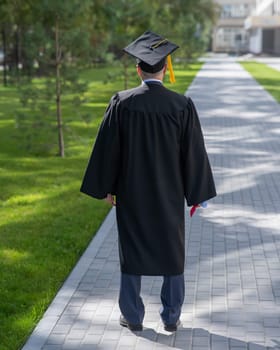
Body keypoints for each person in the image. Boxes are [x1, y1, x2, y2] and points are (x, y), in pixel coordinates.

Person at [80, 31, 216, 332]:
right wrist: (196, 192)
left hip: (132, 194)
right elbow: (193, 153)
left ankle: (133, 316)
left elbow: (108, 149)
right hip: (169, 196)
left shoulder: (122, 103)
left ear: (138, 69)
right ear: (166, 69)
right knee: (172, 251)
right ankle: (171, 318)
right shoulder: (181, 106)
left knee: (132, 251)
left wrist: (107, 188)